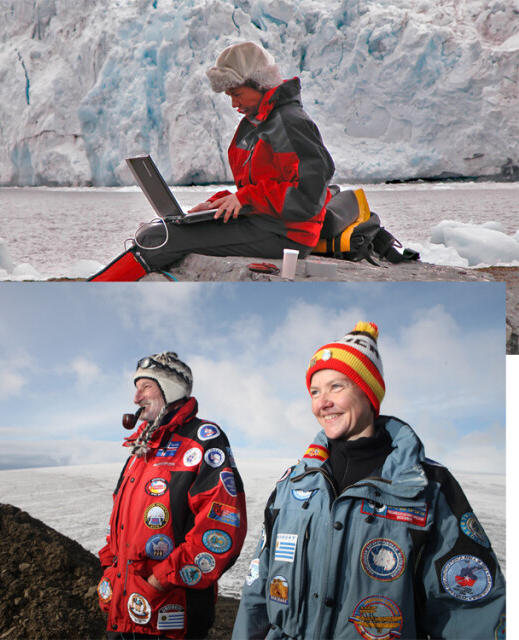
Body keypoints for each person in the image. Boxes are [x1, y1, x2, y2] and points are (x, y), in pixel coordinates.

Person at [233, 322, 506, 639]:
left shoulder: (427, 486)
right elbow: (257, 589)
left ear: (368, 392)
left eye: (337, 387)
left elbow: (470, 612)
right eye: (315, 392)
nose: (323, 402)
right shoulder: (293, 483)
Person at [89, 41, 335, 281]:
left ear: (260, 83)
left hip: (286, 234)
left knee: (159, 239)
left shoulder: (291, 123)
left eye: (237, 94)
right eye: (230, 95)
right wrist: (217, 203)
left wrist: (244, 198)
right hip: (264, 222)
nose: (234, 104)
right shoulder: (258, 121)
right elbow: (264, 185)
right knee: (159, 231)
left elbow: (309, 196)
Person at [98, 352, 247, 639]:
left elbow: (222, 525)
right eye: (136, 387)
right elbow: (119, 523)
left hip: (170, 612)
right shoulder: (142, 448)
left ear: (170, 389)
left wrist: (159, 580)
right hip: (124, 605)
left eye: (146, 387)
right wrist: (109, 568)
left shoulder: (203, 439)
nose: (136, 397)